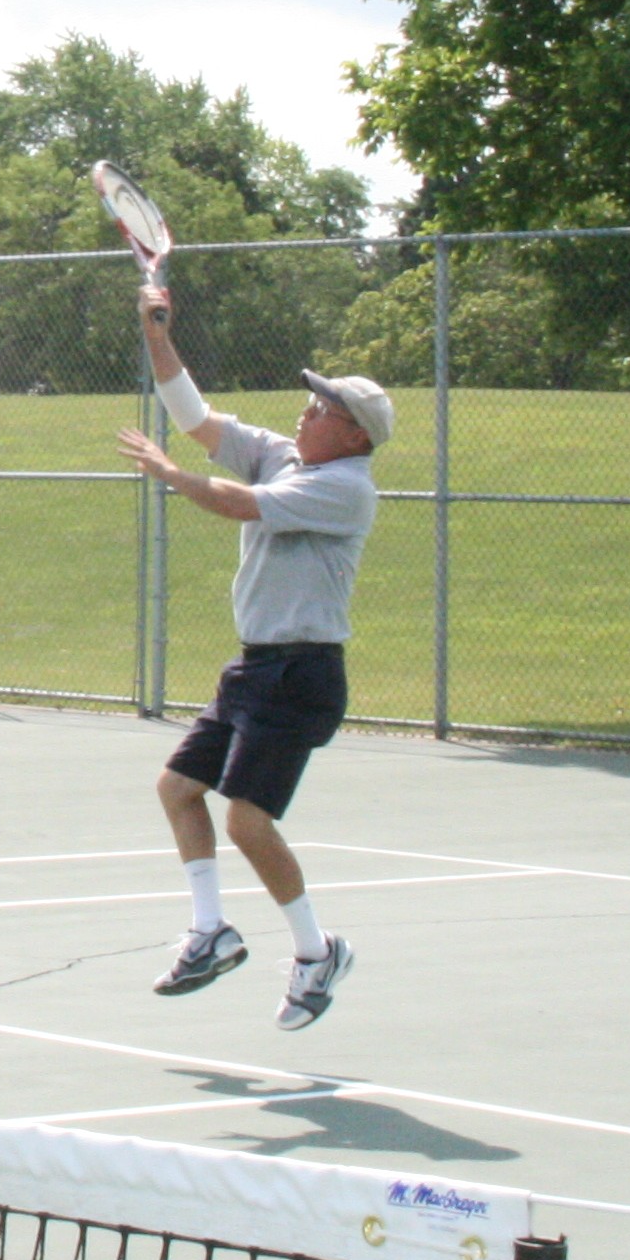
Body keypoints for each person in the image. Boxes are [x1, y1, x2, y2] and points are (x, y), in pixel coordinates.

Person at [112, 286, 393, 1031]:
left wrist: (171, 476)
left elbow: (237, 502)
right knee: (177, 788)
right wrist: (155, 330)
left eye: (322, 408)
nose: (305, 411)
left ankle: (314, 951)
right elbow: (194, 417)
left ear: (354, 436)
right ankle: (210, 931)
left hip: (301, 674)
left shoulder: (342, 489)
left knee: (246, 820)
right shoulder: (285, 453)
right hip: (253, 667)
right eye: (310, 403)